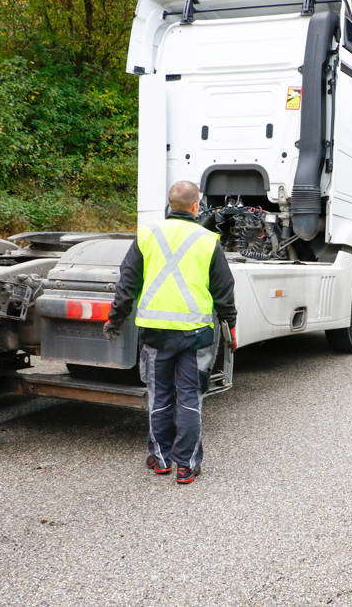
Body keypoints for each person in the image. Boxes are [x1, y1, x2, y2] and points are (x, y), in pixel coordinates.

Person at [103, 181, 237, 485]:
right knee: (190, 398)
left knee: (159, 396)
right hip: (195, 335)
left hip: (155, 334)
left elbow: (127, 283)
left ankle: (161, 460)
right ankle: (186, 466)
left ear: (169, 204)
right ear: (195, 206)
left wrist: (116, 318)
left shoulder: (147, 234)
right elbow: (224, 289)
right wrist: (230, 324)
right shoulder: (207, 240)